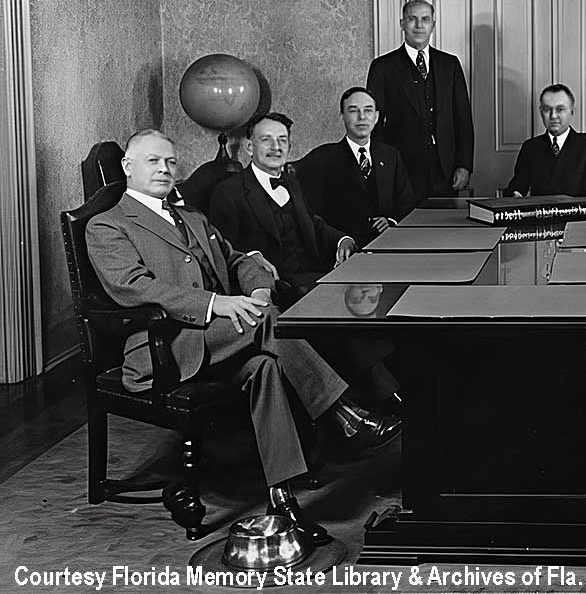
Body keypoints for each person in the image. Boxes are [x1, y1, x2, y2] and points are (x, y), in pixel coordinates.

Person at [87, 130, 401, 547]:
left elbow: (239, 260)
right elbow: (134, 287)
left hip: (224, 338)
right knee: (267, 324)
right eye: (153, 161)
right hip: (165, 347)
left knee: (265, 365)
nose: (164, 169)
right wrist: (216, 303)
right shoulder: (107, 225)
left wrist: (259, 292)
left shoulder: (191, 216)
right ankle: (344, 414)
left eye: (170, 162)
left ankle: (282, 503)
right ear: (128, 167)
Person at [210, 112, 401, 410]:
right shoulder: (228, 192)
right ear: (249, 147)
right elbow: (224, 250)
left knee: (368, 292)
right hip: (278, 286)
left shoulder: (292, 182)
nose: (276, 147)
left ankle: (379, 390)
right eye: (266, 140)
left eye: (282, 140)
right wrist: (253, 256)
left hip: (313, 272)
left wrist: (342, 240)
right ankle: (380, 397)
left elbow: (314, 223)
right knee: (335, 304)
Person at [366, 0, 474, 201]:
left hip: (446, 169)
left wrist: (464, 165)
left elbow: (463, 120)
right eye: (412, 19)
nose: (418, 26)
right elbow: (375, 123)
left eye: (425, 19)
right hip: (401, 168)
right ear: (402, 24)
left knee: (445, 221)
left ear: (433, 24)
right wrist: (381, 167)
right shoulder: (382, 67)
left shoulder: (450, 65)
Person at [295, 89, 416, 248]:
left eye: (368, 110)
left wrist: (391, 221)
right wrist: (339, 240)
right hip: (341, 250)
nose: (362, 117)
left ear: (376, 117)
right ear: (342, 117)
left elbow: (406, 201)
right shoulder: (322, 158)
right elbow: (309, 212)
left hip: (388, 245)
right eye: (353, 111)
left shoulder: (391, 156)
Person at [502, 83, 586, 197]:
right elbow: (517, 187)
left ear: (572, 111)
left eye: (560, 109)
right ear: (541, 112)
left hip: (576, 208)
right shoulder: (530, 147)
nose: (553, 116)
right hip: (540, 208)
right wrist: (515, 194)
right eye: (547, 109)